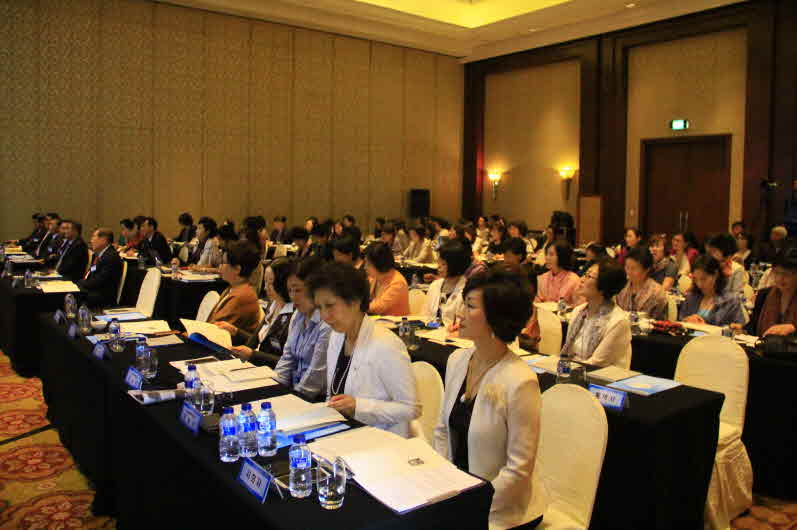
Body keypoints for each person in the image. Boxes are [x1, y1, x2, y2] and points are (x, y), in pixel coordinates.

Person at [433, 266, 547, 529]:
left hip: (502, 507)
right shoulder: (458, 360)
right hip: (458, 493)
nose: (460, 314)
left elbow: (518, 471)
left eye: (470, 306)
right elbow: (441, 431)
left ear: (496, 318)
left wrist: (473, 505)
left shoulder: (520, 381)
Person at [310, 262, 420, 436]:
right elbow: (333, 395)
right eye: (319, 308)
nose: (324, 316)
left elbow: (411, 408)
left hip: (381, 441)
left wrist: (358, 406)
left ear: (355, 301)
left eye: (330, 306)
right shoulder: (337, 336)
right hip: (342, 434)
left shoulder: (386, 344)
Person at [261, 256, 332, 399]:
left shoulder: (327, 325)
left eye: (298, 290)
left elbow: (314, 380)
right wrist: (271, 391)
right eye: (290, 291)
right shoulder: (297, 316)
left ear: (316, 290)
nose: (293, 297)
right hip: (293, 392)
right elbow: (286, 361)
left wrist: (289, 400)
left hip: (314, 399)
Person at [560, 259, 632, 367]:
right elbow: (568, 354)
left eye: (589, 276)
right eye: (585, 274)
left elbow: (596, 364)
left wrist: (564, 369)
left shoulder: (618, 321)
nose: (582, 280)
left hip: (602, 379)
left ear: (604, 286)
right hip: (574, 372)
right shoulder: (578, 312)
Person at [224, 258, 297, 360]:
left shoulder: (295, 315)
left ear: (284, 283)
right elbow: (260, 340)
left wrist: (252, 355)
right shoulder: (273, 304)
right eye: (265, 282)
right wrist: (236, 331)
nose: (265, 288)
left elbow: (287, 363)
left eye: (270, 283)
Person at [206, 242, 262, 334]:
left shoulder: (242, 296)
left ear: (237, 269)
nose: (220, 266)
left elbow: (214, 329)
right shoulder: (234, 288)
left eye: (224, 262)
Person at [744, 248, 797, 336]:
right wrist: (742, 330)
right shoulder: (764, 295)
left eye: (786, 274)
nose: (780, 278)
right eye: (776, 272)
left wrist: (793, 328)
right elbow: (753, 327)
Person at [678, 256, 744, 326]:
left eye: (703, 279)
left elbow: (738, 330)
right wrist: (686, 320)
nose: (699, 284)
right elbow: (680, 322)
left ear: (715, 275)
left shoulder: (731, 301)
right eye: (695, 279)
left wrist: (705, 326)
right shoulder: (691, 297)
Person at [424, 239, 469, 325]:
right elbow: (427, 317)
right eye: (439, 262)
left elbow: (462, 325)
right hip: (431, 334)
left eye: (443, 264)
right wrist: (431, 326)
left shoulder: (466, 290)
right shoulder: (434, 286)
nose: (439, 267)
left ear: (455, 265)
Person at [615, 246, 668, 320]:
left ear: (646, 269)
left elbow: (659, 323)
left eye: (633, 268)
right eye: (627, 267)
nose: (629, 272)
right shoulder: (622, 287)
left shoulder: (657, 292)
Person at [78, 228, 123, 308]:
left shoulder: (110, 257)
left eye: (93, 237)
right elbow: (92, 272)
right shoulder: (100, 255)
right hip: (93, 290)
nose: (91, 240)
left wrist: (80, 284)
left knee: (71, 295)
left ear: (103, 240)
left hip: (102, 296)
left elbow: (99, 281)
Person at [364, 241, 409, 316]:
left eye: (368, 264)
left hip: (395, 325)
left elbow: (378, 307)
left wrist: (356, 306)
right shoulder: (375, 277)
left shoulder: (397, 283)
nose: (365, 267)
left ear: (379, 264)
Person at [536, 241, 583, 306]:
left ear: (562, 256)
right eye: (546, 254)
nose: (547, 258)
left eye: (551, 254)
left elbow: (578, 307)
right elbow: (538, 301)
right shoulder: (542, 278)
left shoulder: (574, 280)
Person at [705, 233, 747, 297]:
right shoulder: (708, 264)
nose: (711, 254)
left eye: (714, 250)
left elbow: (735, 295)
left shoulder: (737, 269)